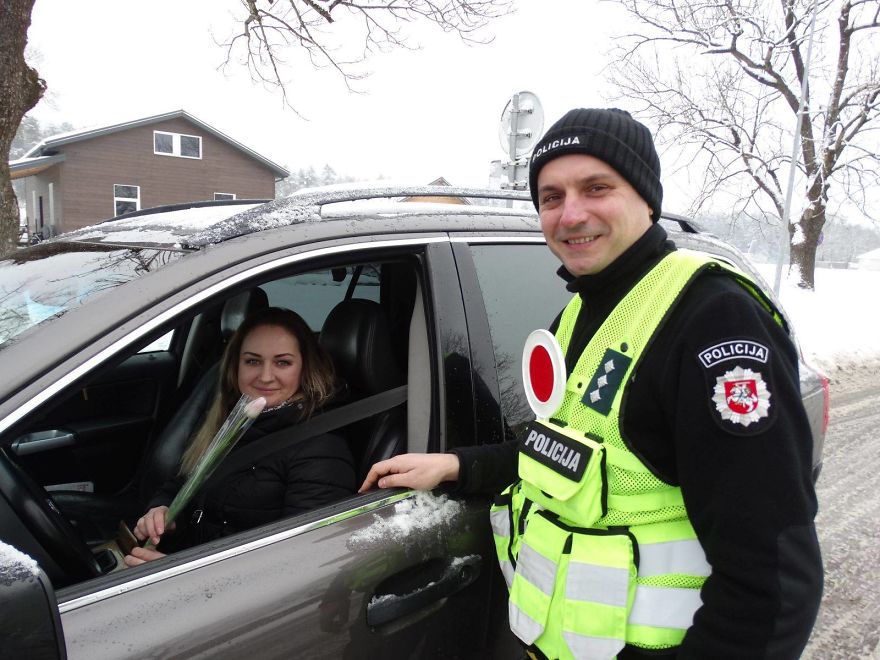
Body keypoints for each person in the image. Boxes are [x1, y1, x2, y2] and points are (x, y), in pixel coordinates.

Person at [360, 108, 823, 659]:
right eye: (551, 197)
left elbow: (773, 585)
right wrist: (461, 465)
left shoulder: (712, 320)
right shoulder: (585, 313)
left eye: (596, 187)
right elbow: (576, 457)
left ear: (646, 199)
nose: (570, 214)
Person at [125, 306, 356, 566]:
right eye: (252, 361)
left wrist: (171, 576)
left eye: (282, 362)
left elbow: (300, 563)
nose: (265, 376)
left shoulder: (320, 448)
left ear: (304, 368)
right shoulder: (233, 418)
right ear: (236, 367)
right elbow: (183, 483)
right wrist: (163, 510)